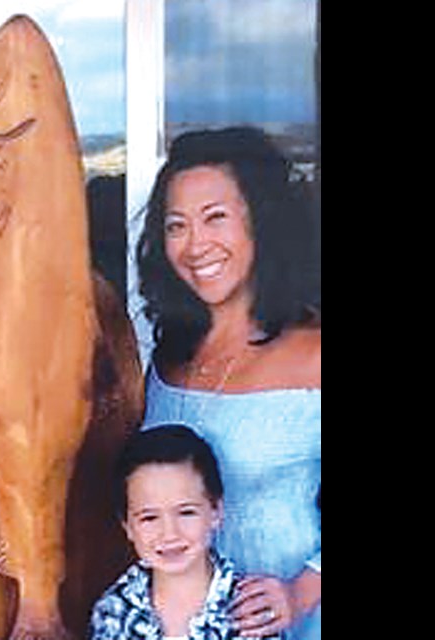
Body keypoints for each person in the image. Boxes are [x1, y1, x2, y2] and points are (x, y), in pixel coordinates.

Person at [136, 127, 320, 639]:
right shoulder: (166, 358)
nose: (196, 245)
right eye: (176, 226)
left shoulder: (315, 353)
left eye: (215, 217)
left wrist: (301, 591)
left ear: (261, 223)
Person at [88, 425, 279, 640]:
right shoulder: (114, 611)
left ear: (216, 511)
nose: (170, 533)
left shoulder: (251, 609)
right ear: (127, 526)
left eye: (186, 513)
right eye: (149, 517)